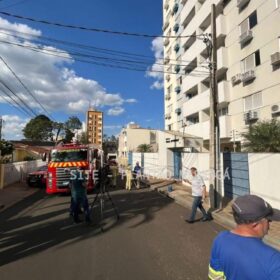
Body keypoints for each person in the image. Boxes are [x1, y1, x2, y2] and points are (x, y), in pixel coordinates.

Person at [209, 195, 280, 280]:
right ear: (255, 224)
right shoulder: (274, 260)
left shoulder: (220, 240)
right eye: (268, 220)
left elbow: (215, 276)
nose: (269, 225)